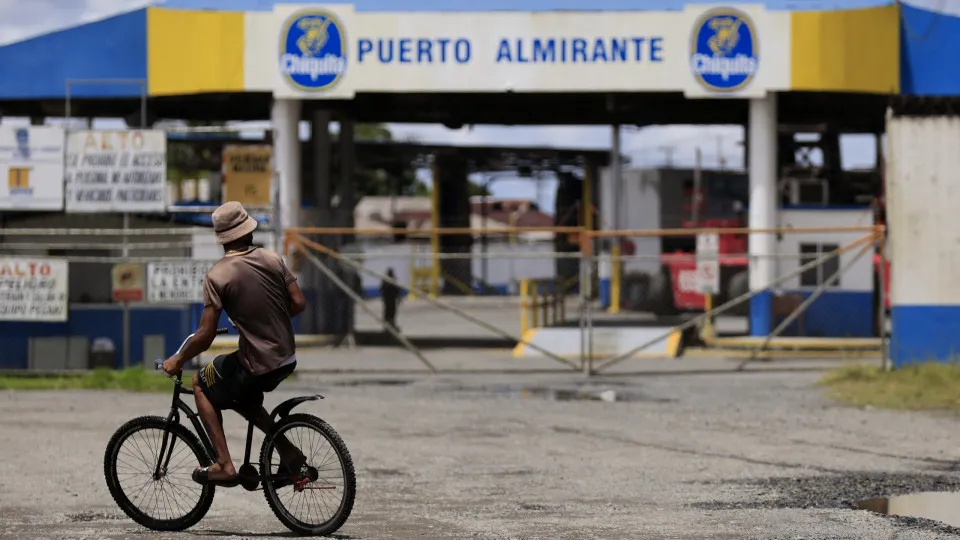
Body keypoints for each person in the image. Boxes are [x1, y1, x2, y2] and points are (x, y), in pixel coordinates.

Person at [162, 201, 308, 487]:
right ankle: (289, 452)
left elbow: (204, 335)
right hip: (286, 358)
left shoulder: (218, 275)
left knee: (201, 383)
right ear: (248, 230)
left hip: (257, 362)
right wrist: (267, 323)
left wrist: (177, 359)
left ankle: (225, 465)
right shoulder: (272, 258)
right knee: (240, 394)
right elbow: (299, 303)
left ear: (222, 238)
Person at [380, 267, 401, 332]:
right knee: (391, 312)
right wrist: (399, 298)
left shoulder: (385, 280)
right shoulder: (393, 280)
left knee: (388, 312)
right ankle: (390, 324)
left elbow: (381, 290)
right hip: (391, 300)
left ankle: (388, 324)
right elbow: (397, 290)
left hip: (388, 300)